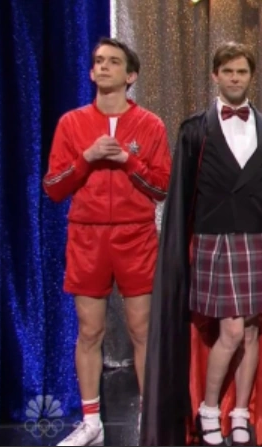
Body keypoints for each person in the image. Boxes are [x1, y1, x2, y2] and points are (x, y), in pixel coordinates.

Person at [139, 41, 262, 446]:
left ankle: (241, 412)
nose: (235, 78)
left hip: (256, 240)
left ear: (252, 76)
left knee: (250, 332)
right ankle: (208, 410)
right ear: (215, 75)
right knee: (231, 331)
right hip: (213, 241)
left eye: (242, 72)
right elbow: (181, 197)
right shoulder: (194, 130)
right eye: (228, 71)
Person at [43, 37, 171, 447]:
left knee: (142, 330)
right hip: (88, 235)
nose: (103, 67)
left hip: (136, 235)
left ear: (130, 76)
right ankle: (91, 423)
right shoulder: (71, 123)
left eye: (113, 62)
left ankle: (148, 418)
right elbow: (54, 187)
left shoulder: (150, 124)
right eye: (98, 61)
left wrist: (127, 160)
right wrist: (87, 158)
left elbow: (162, 187)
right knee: (89, 331)